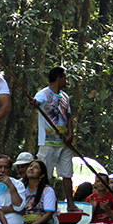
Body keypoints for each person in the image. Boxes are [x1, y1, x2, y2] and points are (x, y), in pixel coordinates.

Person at [32, 67, 78, 211]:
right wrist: (34, 104)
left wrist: (71, 134)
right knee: (45, 174)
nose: (66, 81)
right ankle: (43, 203)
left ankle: (70, 204)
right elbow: (36, 103)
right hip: (48, 142)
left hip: (64, 142)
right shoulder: (43, 94)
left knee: (67, 173)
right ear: (59, 78)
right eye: (65, 78)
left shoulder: (65, 97)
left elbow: (68, 117)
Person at [0, 155, 29, 224]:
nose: (2, 170)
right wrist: (11, 209)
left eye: (6, 167)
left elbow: (19, 207)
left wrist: (11, 186)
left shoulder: (18, 184)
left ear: (9, 169)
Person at [22, 159, 59, 224]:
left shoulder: (48, 191)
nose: (31, 168)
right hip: (24, 222)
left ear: (42, 175)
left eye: (36, 167)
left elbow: (48, 214)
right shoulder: (21, 187)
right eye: (30, 166)